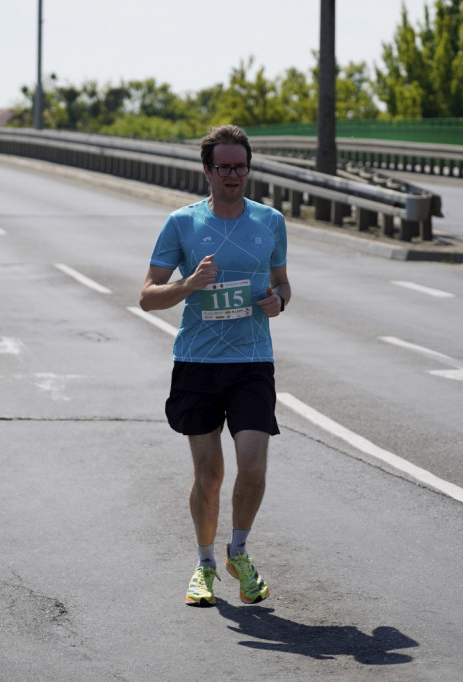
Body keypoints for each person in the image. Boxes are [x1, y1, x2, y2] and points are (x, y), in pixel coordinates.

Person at [139, 124, 291, 607]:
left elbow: (284, 284)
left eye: (240, 166)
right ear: (207, 170)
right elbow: (147, 296)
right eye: (223, 166)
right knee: (209, 475)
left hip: (251, 361)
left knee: (254, 465)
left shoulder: (270, 221)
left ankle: (238, 551)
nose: (232, 174)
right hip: (198, 362)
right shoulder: (182, 223)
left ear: (249, 168)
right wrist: (189, 284)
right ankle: (204, 564)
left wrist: (278, 302)